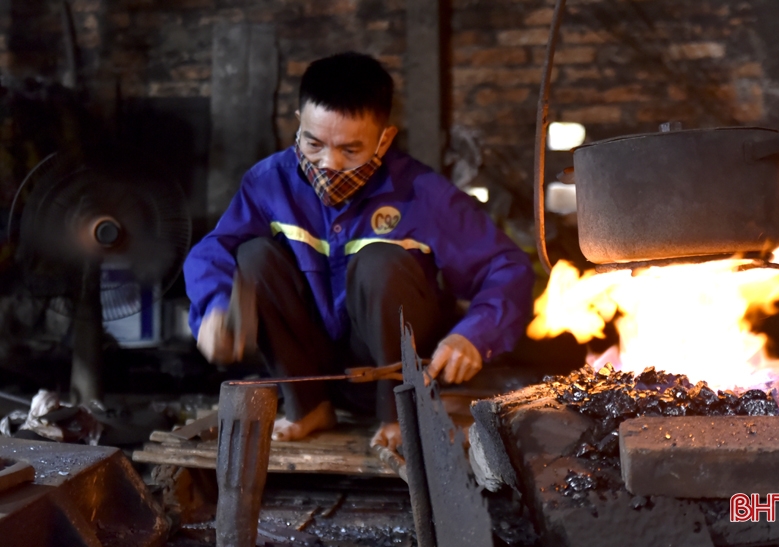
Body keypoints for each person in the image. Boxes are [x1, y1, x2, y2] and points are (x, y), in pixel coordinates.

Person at [184, 51, 534, 450]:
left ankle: (401, 415)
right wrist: (213, 308)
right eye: (313, 142)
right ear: (298, 124)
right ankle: (308, 406)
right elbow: (212, 251)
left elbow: (507, 268)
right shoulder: (268, 183)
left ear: (384, 139)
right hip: (313, 365)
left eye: (350, 150)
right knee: (253, 257)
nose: (329, 163)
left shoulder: (423, 193)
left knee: (380, 262)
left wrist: (474, 335)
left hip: (397, 368)